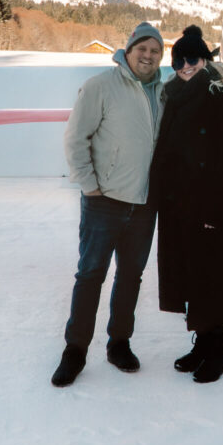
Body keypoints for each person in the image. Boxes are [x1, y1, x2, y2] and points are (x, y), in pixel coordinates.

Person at [51, 22, 165, 387]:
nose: (147, 56)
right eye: (142, 49)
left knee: (131, 276)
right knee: (90, 276)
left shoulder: (164, 92)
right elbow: (75, 139)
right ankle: (75, 351)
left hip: (145, 203)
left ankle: (119, 343)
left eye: (155, 51)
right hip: (104, 201)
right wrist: (89, 185)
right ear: (128, 50)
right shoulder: (102, 86)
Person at [150, 25, 223, 383]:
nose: (184, 66)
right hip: (183, 205)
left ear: (206, 59)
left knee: (214, 278)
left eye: (192, 59)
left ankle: (219, 353)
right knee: (194, 277)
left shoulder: (221, 93)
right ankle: (202, 344)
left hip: (214, 205)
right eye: (178, 60)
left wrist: (216, 210)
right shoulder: (177, 94)